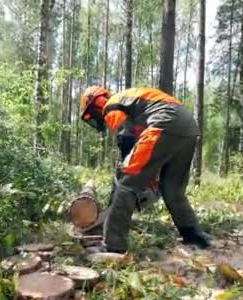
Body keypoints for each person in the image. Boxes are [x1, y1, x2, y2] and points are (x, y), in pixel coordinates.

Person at [80, 86, 210, 253]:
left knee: (126, 184)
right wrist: (148, 175)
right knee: (172, 189)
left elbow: (126, 138)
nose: (98, 118)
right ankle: (195, 237)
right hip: (188, 127)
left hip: (164, 123)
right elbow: (146, 141)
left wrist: (127, 173)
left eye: (93, 114)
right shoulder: (130, 98)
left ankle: (113, 246)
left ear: (96, 102)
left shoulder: (111, 105)